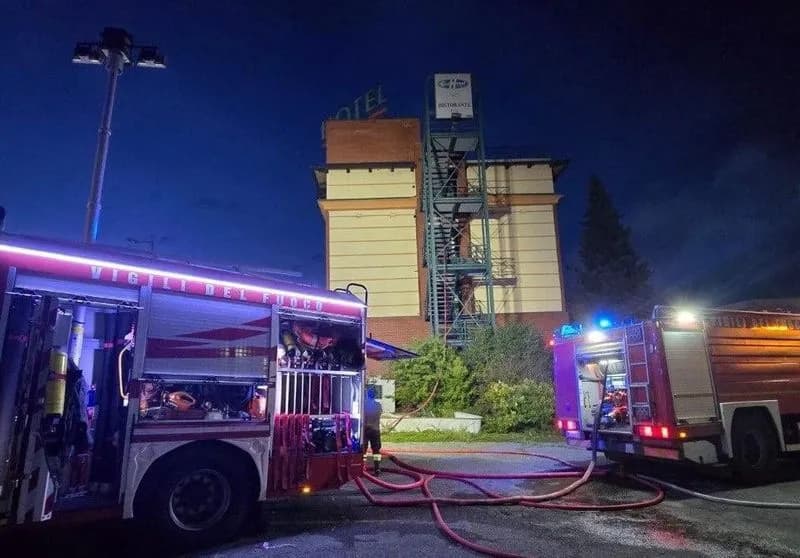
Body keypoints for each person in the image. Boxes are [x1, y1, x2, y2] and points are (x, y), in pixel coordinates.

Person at [363, 386, 383, 475]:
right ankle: (377, 468)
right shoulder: (378, 406)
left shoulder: (364, 405)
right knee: (376, 451)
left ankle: (362, 468)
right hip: (375, 430)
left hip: (365, 429)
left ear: (367, 394)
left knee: (363, 450)